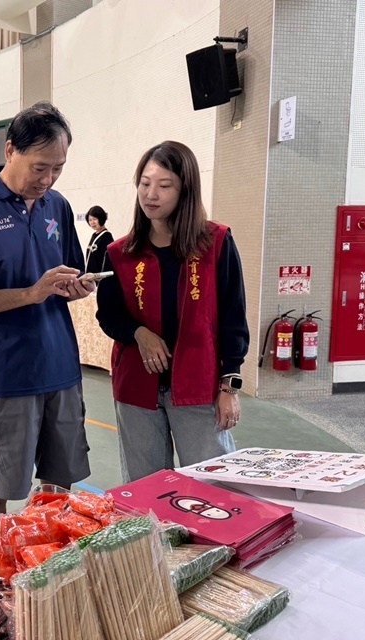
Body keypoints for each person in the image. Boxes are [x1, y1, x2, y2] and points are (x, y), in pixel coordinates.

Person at [0, 102, 96, 526]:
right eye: (39, 167)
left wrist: (76, 288)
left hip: (61, 369)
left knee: (58, 490)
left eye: (58, 169)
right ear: (10, 150)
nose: (47, 180)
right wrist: (32, 293)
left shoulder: (57, 207)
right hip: (5, 376)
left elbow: (67, 280)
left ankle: (45, 573)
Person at [96, 141, 249, 483]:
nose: (151, 194)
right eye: (145, 183)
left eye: (164, 186)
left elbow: (233, 319)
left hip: (199, 386)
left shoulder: (216, 244)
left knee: (215, 486)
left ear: (185, 191)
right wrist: (139, 333)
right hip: (137, 389)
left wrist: (228, 388)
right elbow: (108, 314)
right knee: (147, 491)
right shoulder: (120, 253)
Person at [83, 205, 113, 274]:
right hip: (91, 278)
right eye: (90, 220)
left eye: (95, 219)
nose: (92, 222)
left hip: (101, 279)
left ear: (101, 218)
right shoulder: (94, 235)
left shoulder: (107, 236)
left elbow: (107, 261)